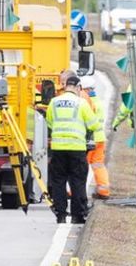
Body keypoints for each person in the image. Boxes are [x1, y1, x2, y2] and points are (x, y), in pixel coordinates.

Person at [46, 75, 101, 224]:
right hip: (77, 148)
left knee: (58, 182)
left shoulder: (54, 102)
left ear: (65, 87)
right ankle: (77, 215)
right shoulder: (81, 103)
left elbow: (50, 123)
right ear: (78, 88)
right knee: (77, 182)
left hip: (58, 149)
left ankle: (61, 214)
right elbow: (93, 125)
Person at [81, 77, 110, 199]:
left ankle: (75, 192)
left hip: (90, 139)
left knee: (81, 166)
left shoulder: (86, 101)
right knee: (98, 165)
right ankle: (103, 191)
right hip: (100, 139)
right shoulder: (97, 101)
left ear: (85, 89)